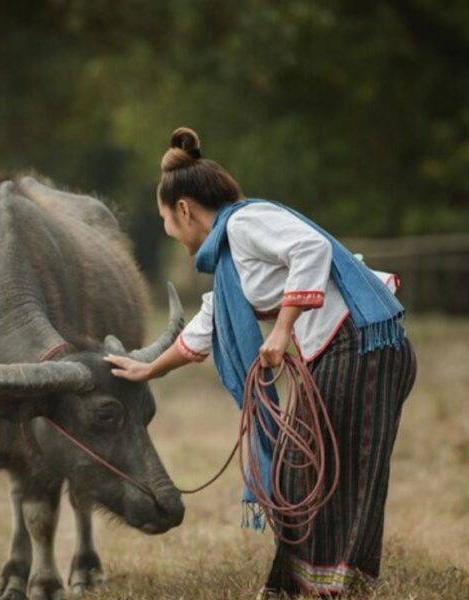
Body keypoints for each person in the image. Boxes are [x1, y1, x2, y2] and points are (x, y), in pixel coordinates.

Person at [104, 127, 417, 598]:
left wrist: (283, 328)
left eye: (164, 218)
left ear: (184, 210)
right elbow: (204, 327)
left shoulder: (245, 224)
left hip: (362, 346)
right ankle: (298, 586)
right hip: (347, 351)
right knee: (298, 473)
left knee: (336, 473)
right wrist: (147, 370)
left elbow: (309, 249)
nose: (168, 230)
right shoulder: (231, 262)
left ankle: (332, 587)